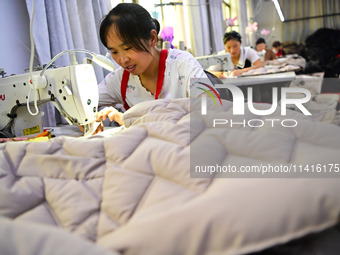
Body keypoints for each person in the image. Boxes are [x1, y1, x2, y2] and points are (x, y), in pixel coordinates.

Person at [95, 3, 208, 126]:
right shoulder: (119, 79)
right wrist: (92, 119)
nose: (123, 60)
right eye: (114, 52)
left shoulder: (182, 64)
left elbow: (209, 109)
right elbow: (84, 103)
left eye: (128, 48)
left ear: (152, 38)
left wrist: (128, 120)